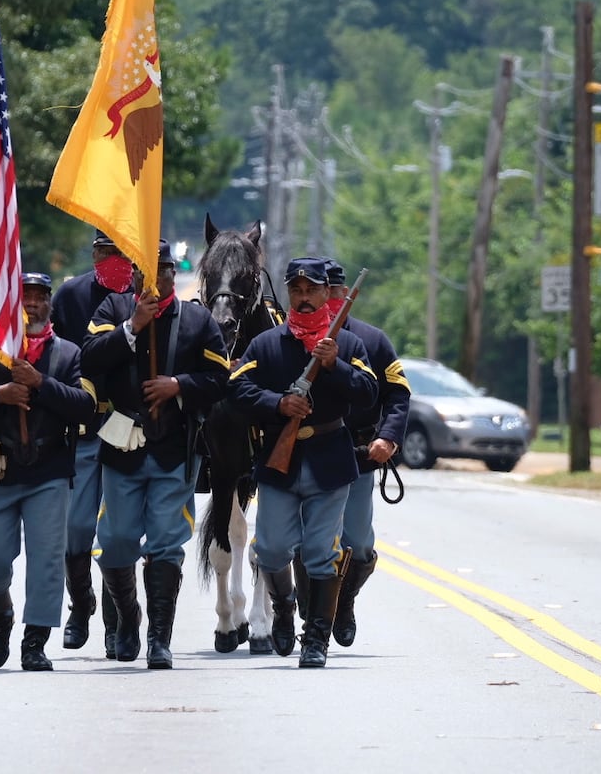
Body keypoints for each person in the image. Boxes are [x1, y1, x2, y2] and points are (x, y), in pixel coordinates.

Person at [80, 240, 230, 669]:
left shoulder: (198, 319)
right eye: (145, 269)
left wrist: (179, 384)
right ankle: (128, 618)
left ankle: (159, 638)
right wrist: (130, 327)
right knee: (114, 542)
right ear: (133, 273)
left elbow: (220, 378)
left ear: (171, 272)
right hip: (122, 445)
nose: (156, 277)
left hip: (173, 450)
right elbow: (88, 360)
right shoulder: (112, 310)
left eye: (163, 269)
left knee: (166, 543)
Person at [229, 258, 377, 668]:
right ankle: (283, 606)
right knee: (272, 550)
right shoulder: (266, 344)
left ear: (326, 292)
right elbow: (237, 390)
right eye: (297, 290)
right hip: (281, 462)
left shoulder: (347, 345)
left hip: (330, 460)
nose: (305, 297)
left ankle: (316, 641)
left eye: (312, 289)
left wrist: (334, 365)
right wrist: (278, 404)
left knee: (320, 553)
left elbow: (368, 391)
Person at [0, 272, 96, 672]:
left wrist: (41, 383)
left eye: (38, 297)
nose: (31, 304)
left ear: (49, 303)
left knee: (47, 559)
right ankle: (1, 619)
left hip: (48, 471)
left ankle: (35, 641)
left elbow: (85, 405)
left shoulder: (67, 354)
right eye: (24, 297)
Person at [49, 229, 133, 656]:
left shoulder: (144, 295)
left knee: (117, 532)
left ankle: (117, 620)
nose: (112, 258)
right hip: (82, 425)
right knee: (77, 526)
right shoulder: (70, 296)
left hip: (129, 428)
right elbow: (57, 353)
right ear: (94, 252)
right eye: (104, 250)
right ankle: (80, 605)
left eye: (120, 250)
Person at [323, 261, 409, 649]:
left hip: (357, 454)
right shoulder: (287, 339)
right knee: (303, 542)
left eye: (337, 294)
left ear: (348, 297)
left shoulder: (373, 341)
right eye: (323, 294)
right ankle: (307, 615)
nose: (332, 302)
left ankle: (344, 605)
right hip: (305, 453)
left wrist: (388, 437)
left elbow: (398, 395)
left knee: (356, 542)